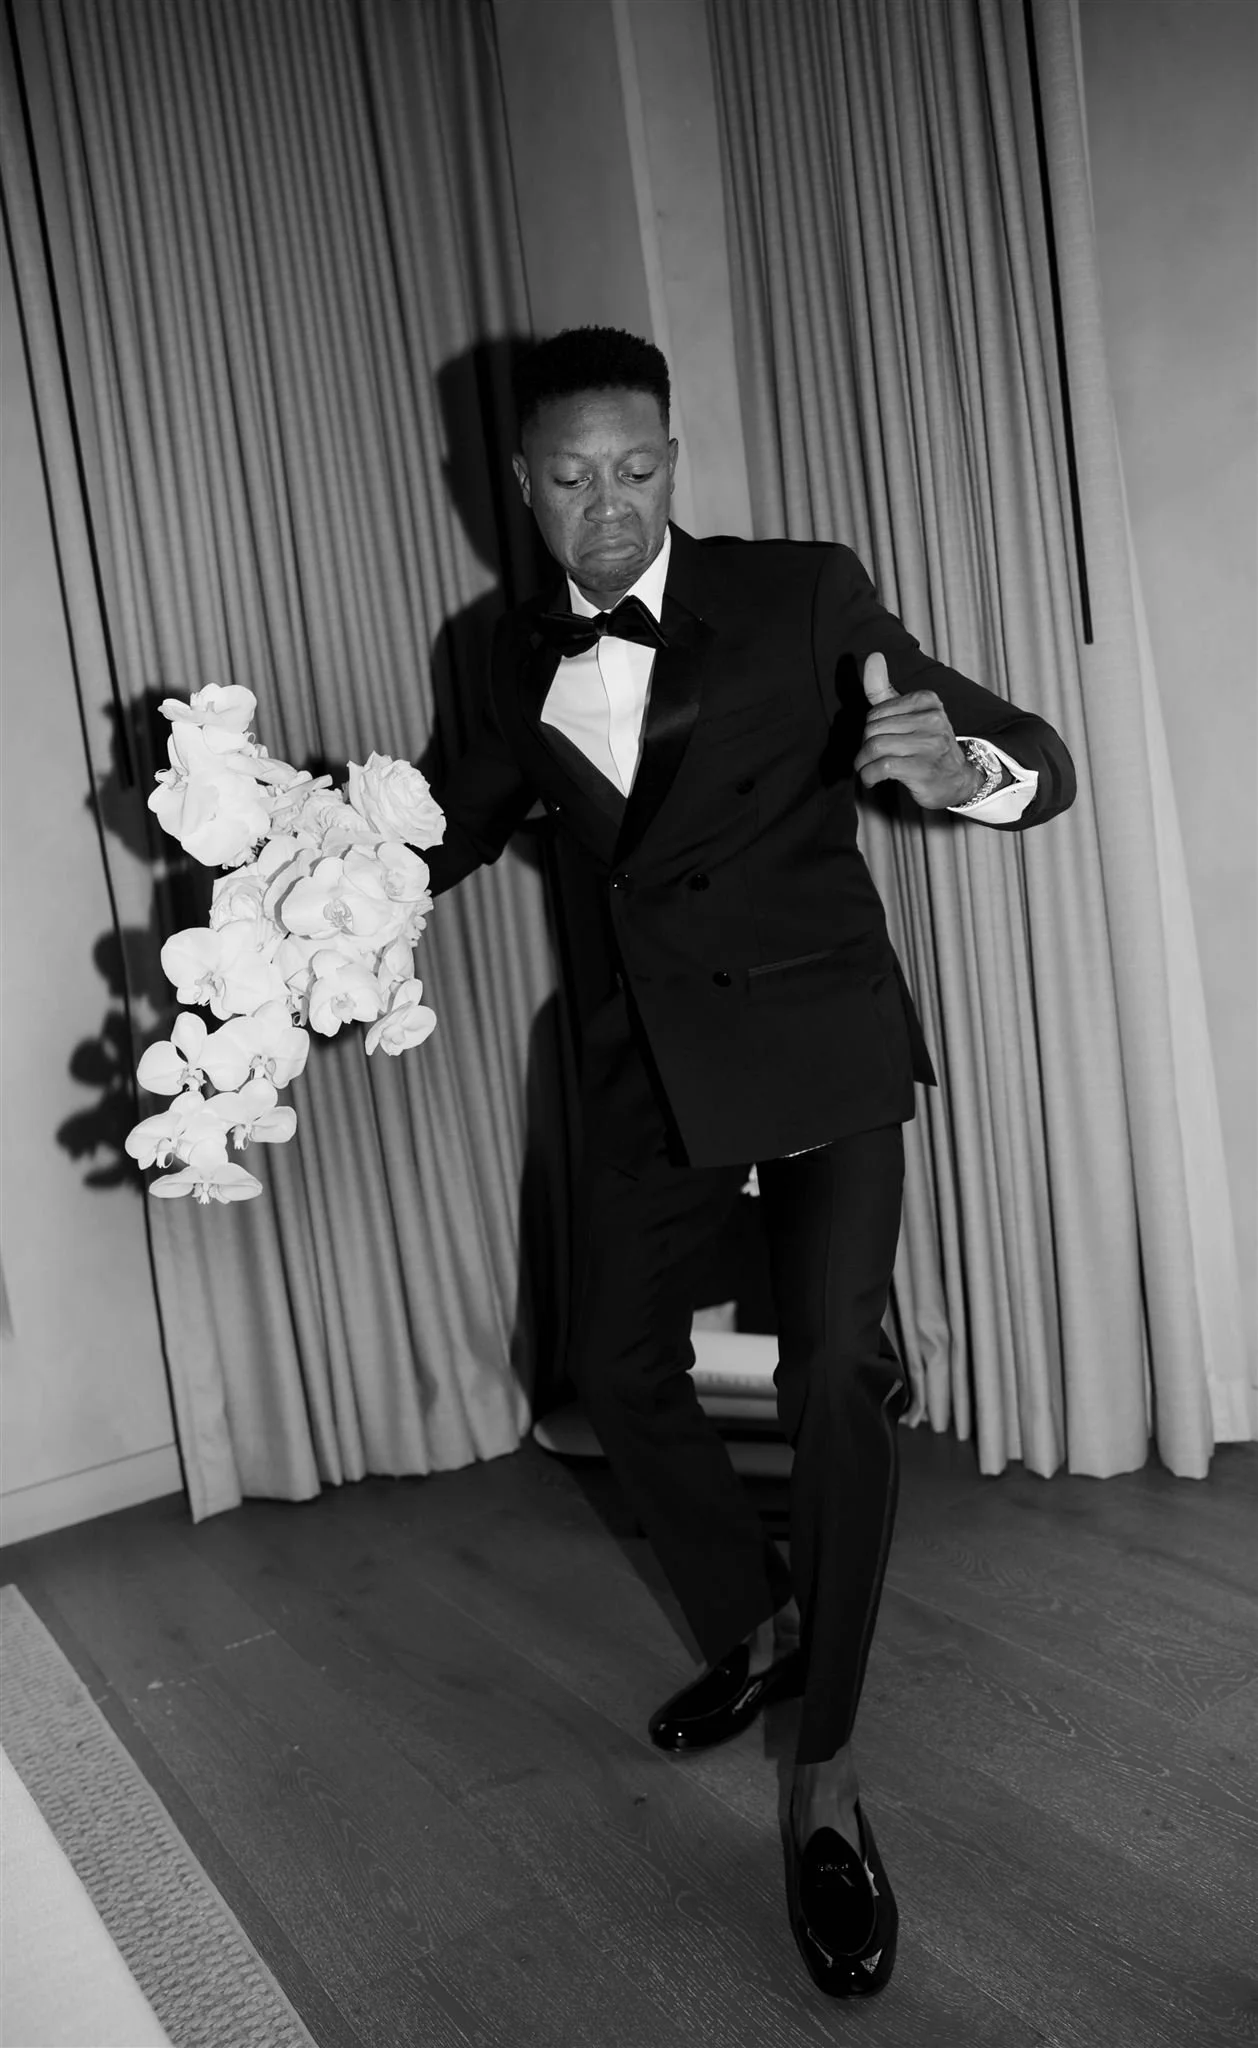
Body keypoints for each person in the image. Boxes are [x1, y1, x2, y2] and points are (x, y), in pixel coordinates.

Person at [423, 326, 1075, 1996]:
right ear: (518, 485)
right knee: (615, 1368)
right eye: (572, 477)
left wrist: (963, 769)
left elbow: (1021, 746)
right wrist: (302, 882)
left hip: (815, 1037)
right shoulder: (499, 651)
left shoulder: (797, 594)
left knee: (832, 1377)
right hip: (647, 1066)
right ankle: (759, 1625)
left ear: (672, 459)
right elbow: (450, 817)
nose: (610, 506)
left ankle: (826, 1772)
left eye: (637, 468)